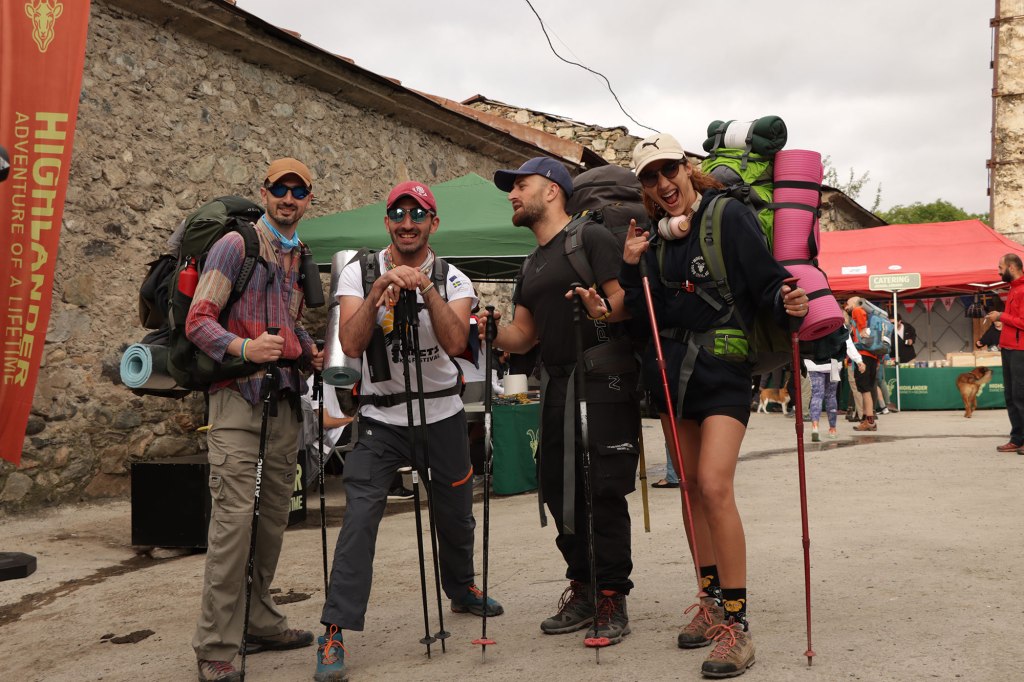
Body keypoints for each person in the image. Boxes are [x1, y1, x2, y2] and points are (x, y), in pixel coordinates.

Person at [619, 133, 808, 678]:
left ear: (687, 168)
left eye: (668, 171)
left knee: (715, 484)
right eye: (650, 178)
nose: (662, 185)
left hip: (723, 370)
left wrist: (788, 301)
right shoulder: (650, 240)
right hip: (671, 377)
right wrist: (632, 267)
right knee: (690, 490)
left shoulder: (726, 216)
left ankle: (737, 626)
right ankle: (709, 600)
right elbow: (641, 313)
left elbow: (767, 283)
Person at [316, 181, 502, 682]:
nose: (407, 222)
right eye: (398, 213)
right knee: (358, 518)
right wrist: (379, 292)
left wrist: (425, 289)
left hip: (441, 415)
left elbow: (457, 340)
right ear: (387, 223)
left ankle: (461, 588)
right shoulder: (360, 272)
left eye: (418, 214)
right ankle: (334, 629)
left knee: (457, 515)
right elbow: (350, 345)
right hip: (380, 418)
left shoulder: (453, 279)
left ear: (433, 224)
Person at [481, 157, 641, 648]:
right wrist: (488, 331)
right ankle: (584, 587)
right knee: (558, 488)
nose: (512, 195)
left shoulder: (590, 238)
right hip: (552, 386)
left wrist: (600, 308)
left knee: (602, 490)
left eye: (519, 186)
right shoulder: (530, 262)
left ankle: (613, 595)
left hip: (601, 382)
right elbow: (523, 336)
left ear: (551, 191)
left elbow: (624, 301)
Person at [187, 158, 323, 682]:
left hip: (283, 400)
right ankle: (216, 646)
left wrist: (306, 349)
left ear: (309, 199)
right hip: (236, 400)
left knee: (271, 521)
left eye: (299, 191)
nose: (289, 198)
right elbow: (200, 321)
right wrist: (244, 346)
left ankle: (259, 620)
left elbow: (285, 325)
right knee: (232, 525)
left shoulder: (297, 255)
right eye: (281, 189)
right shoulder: (235, 245)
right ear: (264, 193)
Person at [986, 253, 1024, 453]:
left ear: (1011, 267)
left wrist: (1002, 316)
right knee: (1010, 395)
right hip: (1009, 347)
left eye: (1000, 267)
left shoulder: (1022, 290)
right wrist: (1004, 320)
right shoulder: (1014, 289)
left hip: (1020, 349)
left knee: (1020, 395)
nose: (999, 271)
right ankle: (1017, 438)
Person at [806, 334, 864, 440]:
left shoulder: (811, 319)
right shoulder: (836, 321)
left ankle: (815, 426)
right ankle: (832, 429)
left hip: (813, 363)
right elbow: (848, 343)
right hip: (833, 363)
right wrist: (858, 360)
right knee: (831, 396)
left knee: (817, 395)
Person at [845, 297, 881, 431]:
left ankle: (870, 421)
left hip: (863, 356)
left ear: (854, 303)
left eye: (847, 304)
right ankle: (866, 419)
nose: (846, 307)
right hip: (872, 356)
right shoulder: (871, 316)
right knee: (867, 389)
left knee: (864, 390)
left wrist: (861, 331)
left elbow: (862, 332)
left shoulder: (857, 310)